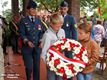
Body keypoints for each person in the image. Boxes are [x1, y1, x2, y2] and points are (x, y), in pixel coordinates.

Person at [19, 1, 44, 80]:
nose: (34, 11)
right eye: (32, 9)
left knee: (37, 67)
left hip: (37, 47)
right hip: (27, 48)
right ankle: (29, 78)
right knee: (29, 66)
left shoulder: (38, 20)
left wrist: (40, 40)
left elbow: (40, 33)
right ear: (28, 10)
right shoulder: (23, 21)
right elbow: (21, 34)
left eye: (35, 9)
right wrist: (27, 41)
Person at [41, 12, 65, 80]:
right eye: (57, 26)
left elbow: (63, 44)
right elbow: (43, 52)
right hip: (51, 62)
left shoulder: (62, 31)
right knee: (51, 78)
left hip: (61, 61)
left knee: (60, 78)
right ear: (51, 24)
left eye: (61, 25)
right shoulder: (47, 35)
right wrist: (47, 63)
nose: (59, 28)